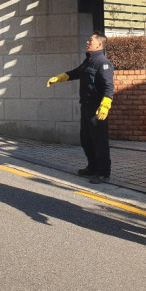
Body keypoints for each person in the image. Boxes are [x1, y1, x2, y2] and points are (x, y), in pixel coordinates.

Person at [46, 30, 114, 184]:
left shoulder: (103, 63)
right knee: (86, 139)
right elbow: (76, 73)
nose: (87, 42)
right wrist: (59, 78)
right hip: (86, 106)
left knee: (99, 141)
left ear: (99, 44)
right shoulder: (88, 61)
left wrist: (105, 106)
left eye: (90, 40)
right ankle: (92, 168)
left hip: (97, 109)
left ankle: (104, 173)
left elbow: (109, 87)